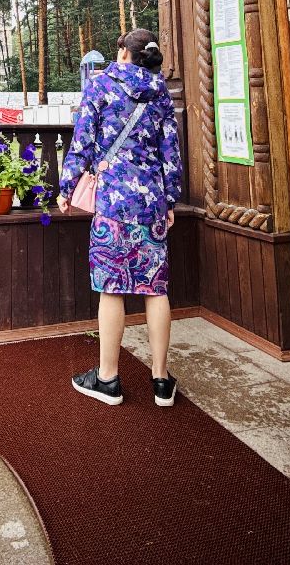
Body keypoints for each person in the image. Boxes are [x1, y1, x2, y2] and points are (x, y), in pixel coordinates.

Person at [59, 28, 182, 407]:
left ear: (122, 53)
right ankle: (161, 382)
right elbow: (170, 152)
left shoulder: (101, 84)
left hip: (112, 202)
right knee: (155, 288)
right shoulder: (160, 92)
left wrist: (66, 188)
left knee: (112, 288)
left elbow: (81, 141)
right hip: (152, 204)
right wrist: (171, 199)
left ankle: (108, 379)